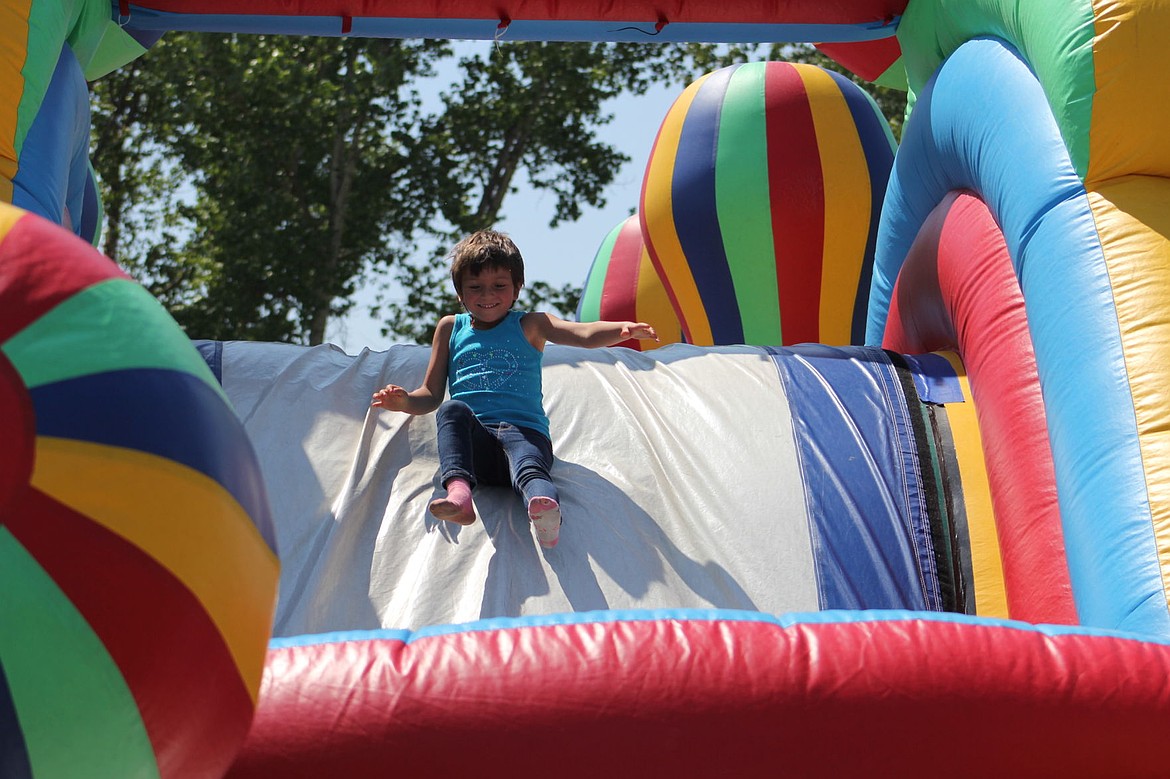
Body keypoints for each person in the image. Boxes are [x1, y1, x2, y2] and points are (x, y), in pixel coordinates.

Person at [371, 230, 658, 549]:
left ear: (517, 288)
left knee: (527, 462)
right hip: (478, 445)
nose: (487, 295)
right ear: (460, 293)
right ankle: (459, 494)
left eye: (499, 286)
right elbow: (431, 394)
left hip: (524, 434)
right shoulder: (451, 328)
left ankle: (543, 507)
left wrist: (620, 329)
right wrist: (404, 401)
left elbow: (581, 333)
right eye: (475, 287)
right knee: (452, 409)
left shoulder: (531, 324)